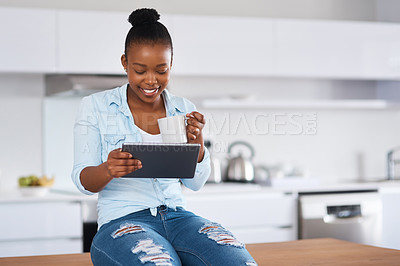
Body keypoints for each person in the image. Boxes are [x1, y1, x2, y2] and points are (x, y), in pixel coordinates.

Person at [72, 8, 257, 266]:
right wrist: (108, 169)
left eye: (161, 70)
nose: (151, 80)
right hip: (122, 222)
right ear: (125, 62)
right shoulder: (96, 107)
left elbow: (195, 184)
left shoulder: (182, 108)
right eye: (140, 70)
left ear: (171, 64)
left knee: (238, 261)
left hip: (179, 218)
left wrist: (198, 147)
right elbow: (83, 180)